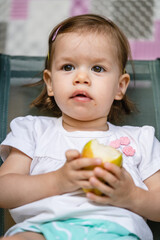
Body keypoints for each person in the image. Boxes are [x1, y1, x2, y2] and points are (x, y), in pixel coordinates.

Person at [0, 14, 160, 240]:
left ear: (119, 86)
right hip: (42, 230)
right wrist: (58, 181)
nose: (81, 77)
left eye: (98, 68)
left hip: (115, 232)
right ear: (50, 83)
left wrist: (132, 196)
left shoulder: (140, 139)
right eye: (67, 67)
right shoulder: (33, 131)